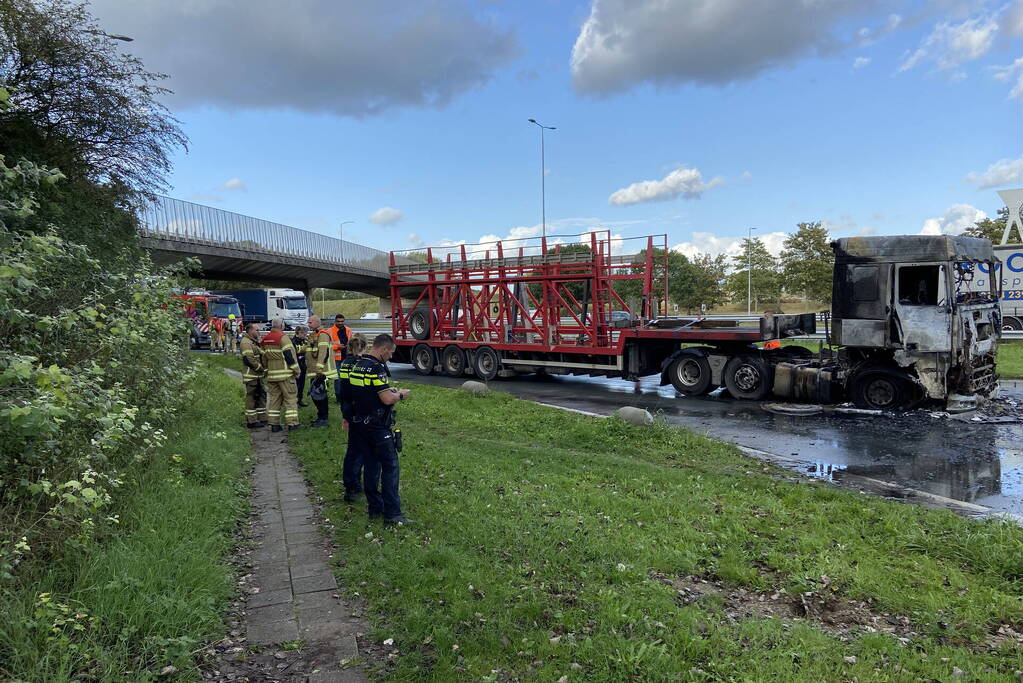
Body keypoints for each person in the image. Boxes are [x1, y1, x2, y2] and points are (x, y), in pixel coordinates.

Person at [349, 334, 412, 525]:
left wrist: (387, 390)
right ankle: (393, 514)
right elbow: (386, 399)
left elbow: (364, 392)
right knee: (390, 468)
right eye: (391, 353)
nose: (390, 357)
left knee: (370, 467)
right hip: (377, 426)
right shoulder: (376, 368)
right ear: (383, 349)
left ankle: (374, 509)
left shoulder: (357, 365)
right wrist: (400, 394)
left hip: (360, 424)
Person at [336, 333, 368, 502]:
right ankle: (352, 487)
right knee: (357, 452)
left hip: (349, 409)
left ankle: (353, 484)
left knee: (354, 450)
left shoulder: (345, 363)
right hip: (360, 412)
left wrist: (345, 414)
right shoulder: (361, 364)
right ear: (364, 346)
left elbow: (344, 391)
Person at [261, 318, 302, 432]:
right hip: (286, 375)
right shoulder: (283, 338)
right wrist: (297, 370)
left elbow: (263, 358)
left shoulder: (265, 339)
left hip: (272, 376)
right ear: (281, 326)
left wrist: (266, 371)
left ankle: (274, 424)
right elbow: (290, 356)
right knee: (290, 399)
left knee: (274, 400)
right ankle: (292, 423)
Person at [305, 315, 333, 427]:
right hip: (314, 371)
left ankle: (323, 419)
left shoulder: (323, 335)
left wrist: (319, 368)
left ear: (317, 322)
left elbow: (323, 352)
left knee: (320, 395)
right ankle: (320, 417)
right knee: (316, 395)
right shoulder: (314, 335)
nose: (308, 324)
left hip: (320, 372)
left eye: (310, 322)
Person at [239, 322, 268, 428]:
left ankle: (262, 418)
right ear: (250, 331)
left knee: (261, 396)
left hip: (257, 376)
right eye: (257, 330)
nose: (259, 332)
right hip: (251, 375)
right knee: (251, 398)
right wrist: (260, 368)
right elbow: (248, 359)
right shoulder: (246, 343)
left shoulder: (253, 342)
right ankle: (251, 421)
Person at [328, 314, 353, 404]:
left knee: (347, 378)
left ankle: (346, 396)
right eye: (338, 321)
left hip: (347, 358)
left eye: (342, 321)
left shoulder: (348, 330)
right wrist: (337, 347)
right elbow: (326, 346)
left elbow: (351, 342)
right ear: (335, 321)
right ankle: (339, 398)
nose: (340, 323)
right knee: (338, 379)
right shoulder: (330, 331)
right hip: (337, 358)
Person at [291, 325, 309, 407]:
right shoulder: (293, 341)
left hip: (303, 365)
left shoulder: (304, 341)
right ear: (298, 333)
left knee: (302, 384)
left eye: (306, 333)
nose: (305, 334)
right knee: (296, 384)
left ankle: (300, 400)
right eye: (303, 333)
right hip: (296, 365)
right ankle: (295, 401)